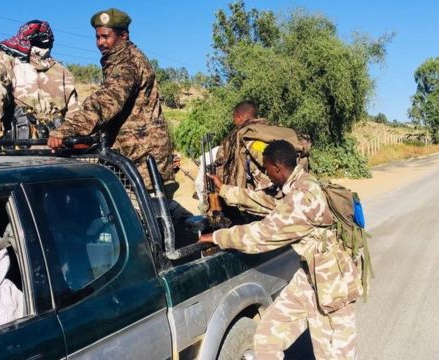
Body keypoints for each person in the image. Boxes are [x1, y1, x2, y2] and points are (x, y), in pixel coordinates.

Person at [199, 140, 358, 359]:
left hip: (332, 283)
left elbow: (262, 235)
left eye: (267, 170)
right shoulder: (298, 183)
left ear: (277, 167)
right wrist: (225, 190)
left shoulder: (303, 198)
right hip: (309, 278)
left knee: (332, 354)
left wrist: (216, 237)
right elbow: (267, 203)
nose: (267, 175)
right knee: (267, 336)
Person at [47, 8, 174, 191]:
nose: (100, 43)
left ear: (124, 35)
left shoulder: (128, 63)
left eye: (106, 37)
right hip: (131, 154)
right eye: (97, 37)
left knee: (143, 214)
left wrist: (66, 130)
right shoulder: (118, 60)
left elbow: (107, 101)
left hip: (142, 158)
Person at [0, 20, 80, 142]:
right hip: (56, 150)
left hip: (19, 154)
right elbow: (74, 116)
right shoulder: (63, 72)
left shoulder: (6, 60)